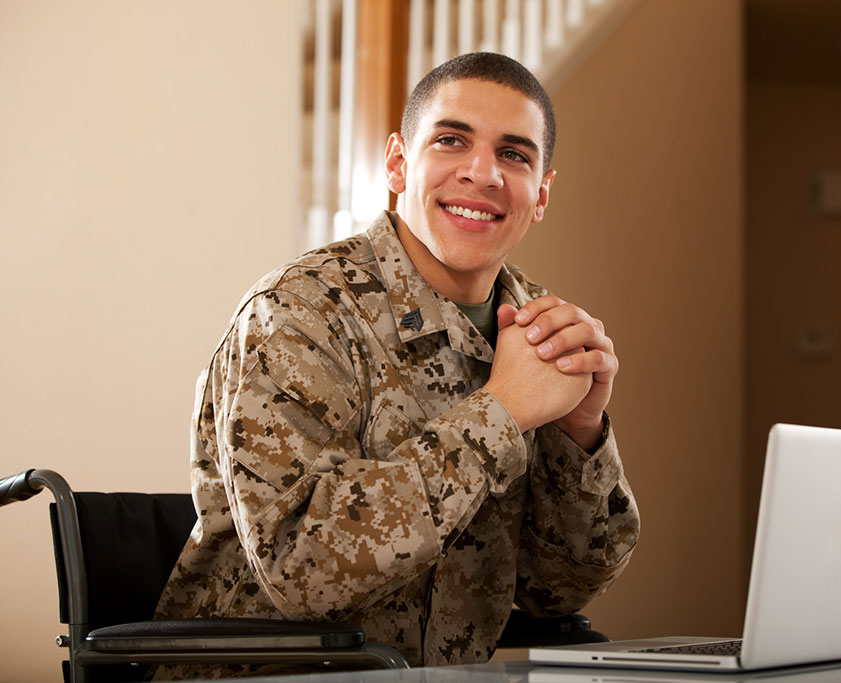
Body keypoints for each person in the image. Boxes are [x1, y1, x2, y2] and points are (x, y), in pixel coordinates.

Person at [153, 52, 639, 679]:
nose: (483, 172)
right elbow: (302, 572)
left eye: (515, 154)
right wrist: (502, 412)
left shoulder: (536, 332)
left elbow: (560, 593)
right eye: (451, 140)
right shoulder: (298, 315)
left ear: (540, 193)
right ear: (397, 163)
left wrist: (582, 436)